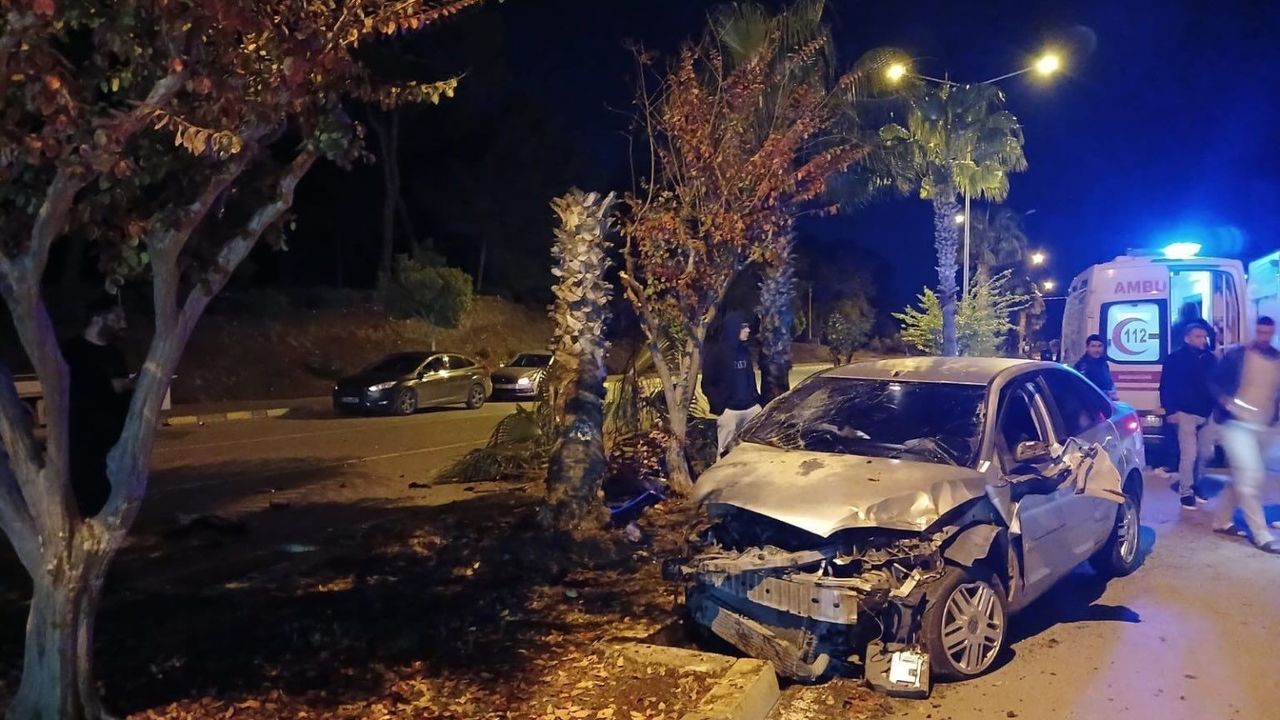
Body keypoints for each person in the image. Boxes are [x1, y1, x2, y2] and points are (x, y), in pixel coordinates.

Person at [1210, 316, 1280, 554]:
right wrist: (1223, 401)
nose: (1263, 337)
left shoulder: (1277, 358)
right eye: (1260, 332)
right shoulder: (1237, 355)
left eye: (1267, 333)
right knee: (1251, 477)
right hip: (1236, 424)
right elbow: (1213, 381)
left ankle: (1221, 520)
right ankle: (1261, 533)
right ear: (1255, 331)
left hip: (1265, 426)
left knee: (1239, 476)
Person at [62, 297, 133, 518]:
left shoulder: (115, 354)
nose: (124, 324)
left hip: (113, 437)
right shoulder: (71, 351)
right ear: (97, 319)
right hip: (82, 437)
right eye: (117, 318)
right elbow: (71, 388)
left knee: (110, 491)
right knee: (84, 489)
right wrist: (109, 386)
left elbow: (121, 390)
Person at [1160, 324, 1217, 510]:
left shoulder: (1209, 358)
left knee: (1206, 453)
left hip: (1206, 412)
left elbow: (1216, 383)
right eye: (1198, 336)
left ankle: (1197, 484)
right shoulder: (1175, 359)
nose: (1203, 340)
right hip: (1185, 413)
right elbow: (1166, 386)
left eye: (1204, 336)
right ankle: (1186, 492)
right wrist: (1170, 411)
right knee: (1189, 455)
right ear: (1187, 338)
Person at [702, 312, 761, 458]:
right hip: (729, 411)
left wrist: (756, 399)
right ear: (733, 328)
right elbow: (707, 383)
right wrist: (720, 407)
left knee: (755, 448)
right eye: (744, 327)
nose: (748, 330)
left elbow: (749, 377)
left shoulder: (743, 351)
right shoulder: (716, 353)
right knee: (725, 452)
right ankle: (722, 479)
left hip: (750, 408)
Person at [1074, 334, 1118, 399]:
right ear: (1087, 348)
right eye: (1093, 346)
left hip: (1105, 400)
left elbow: (1109, 382)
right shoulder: (1082, 365)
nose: (1097, 350)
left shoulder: (1103, 363)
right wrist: (1107, 394)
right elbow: (1084, 389)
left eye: (1099, 346)